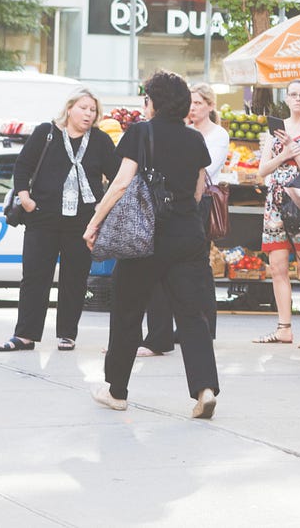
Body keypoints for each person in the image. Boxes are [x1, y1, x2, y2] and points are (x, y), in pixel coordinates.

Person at [85, 70, 219, 419]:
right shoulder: (195, 140)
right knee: (192, 315)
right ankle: (204, 389)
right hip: (188, 235)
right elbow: (198, 190)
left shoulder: (140, 133)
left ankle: (116, 391)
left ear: (154, 102)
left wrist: (95, 222)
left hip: (145, 236)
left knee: (128, 312)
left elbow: (119, 184)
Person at [0, 88, 119, 353]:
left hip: (82, 222)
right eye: (83, 108)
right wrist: (26, 198)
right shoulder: (46, 133)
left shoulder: (100, 141)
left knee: (74, 279)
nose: (88, 114)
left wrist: (102, 206)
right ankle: (25, 335)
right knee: (34, 276)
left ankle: (67, 333)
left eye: (93, 110)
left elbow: (117, 176)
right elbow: (22, 166)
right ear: (70, 107)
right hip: (42, 218)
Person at [138, 83, 229, 356]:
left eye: (200, 103)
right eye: (191, 102)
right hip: (178, 202)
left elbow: (205, 170)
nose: (194, 107)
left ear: (210, 106)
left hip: (198, 203)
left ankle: (202, 327)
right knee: (179, 271)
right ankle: (169, 331)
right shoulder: (184, 132)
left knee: (198, 269)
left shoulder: (216, 135)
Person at [253, 79, 300, 347]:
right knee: (277, 267)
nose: (298, 99)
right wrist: (284, 152)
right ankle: (284, 327)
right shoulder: (277, 129)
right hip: (275, 202)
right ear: (286, 99)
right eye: (293, 94)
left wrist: (294, 152)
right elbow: (263, 169)